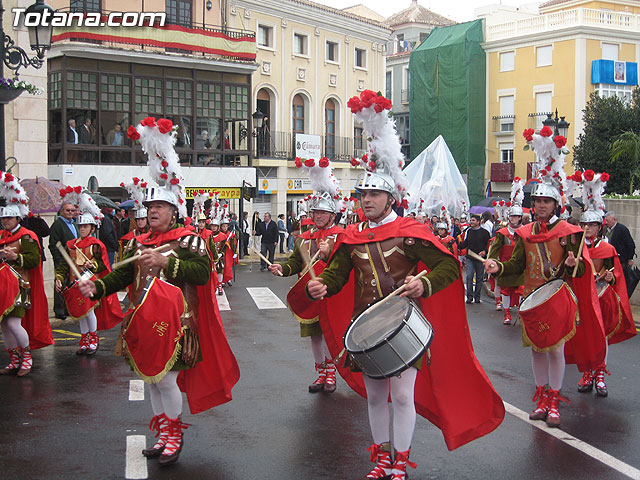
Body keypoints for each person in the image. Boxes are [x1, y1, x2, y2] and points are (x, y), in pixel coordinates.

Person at [307, 90, 504, 479]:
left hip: (404, 326)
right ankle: (379, 458)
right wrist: (323, 287)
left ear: (391, 196)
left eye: (374, 194)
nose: (366, 200)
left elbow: (448, 266)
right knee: (376, 396)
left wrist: (424, 284)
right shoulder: (351, 237)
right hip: (363, 326)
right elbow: (337, 273)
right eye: (363, 194)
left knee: (401, 395)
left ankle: (401, 461)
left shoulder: (410, 233)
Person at [77, 117, 239, 467]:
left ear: (174, 210)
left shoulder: (189, 240)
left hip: (178, 322)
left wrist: (168, 265)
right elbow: (122, 278)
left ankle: (174, 434)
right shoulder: (137, 241)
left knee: (167, 381)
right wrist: (97, 286)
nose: (152, 212)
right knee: (151, 380)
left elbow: (202, 274)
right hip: (142, 320)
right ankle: (162, 431)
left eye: (159, 207)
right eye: (149, 208)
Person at [484, 128, 606, 428]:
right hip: (532, 298)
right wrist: (498, 268)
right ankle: (541, 398)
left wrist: (575, 263)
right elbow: (515, 265)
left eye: (545, 202)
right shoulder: (525, 234)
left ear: (556, 206)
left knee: (555, 349)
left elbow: (580, 273)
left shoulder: (570, 234)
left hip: (559, 298)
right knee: (537, 350)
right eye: (536, 201)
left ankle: (554, 401)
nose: (539, 205)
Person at [269, 159, 345, 394]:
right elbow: (295, 262)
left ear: (333, 215)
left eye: (323, 212)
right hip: (309, 292)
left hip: (332, 295)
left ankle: (332, 374)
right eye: (316, 211)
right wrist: (282, 269)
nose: (319, 215)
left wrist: (329, 252)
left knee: (330, 334)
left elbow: (346, 266)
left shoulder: (342, 236)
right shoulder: (304, 237)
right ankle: (321, 373)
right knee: (314, 337)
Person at [575, 172, 636, 397]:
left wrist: (612, 278)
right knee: (583, 336)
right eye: (584, 225)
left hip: (602, 298)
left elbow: (617, 275)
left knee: (601, 337)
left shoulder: (607, 249)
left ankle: (600, 373)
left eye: (591, 225)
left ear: (599, 227)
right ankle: (587, 372)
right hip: (582, 298)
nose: (587, 229)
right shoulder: (577, 247)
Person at [55, 193, 122, 355]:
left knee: (89, 311)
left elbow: (103, 264)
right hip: (75, 284)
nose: (82, 229)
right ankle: (84, 341)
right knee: (80, 314)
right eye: (81, 227)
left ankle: (93, 340)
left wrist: (93, 265)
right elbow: (64, 265)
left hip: (90, 283)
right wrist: (58, 278)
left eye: (86, 226)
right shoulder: (71, 245)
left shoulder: (96, 245)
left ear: (92, 228)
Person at [0, 172, 53, 376]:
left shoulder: (27, 236)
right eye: (3, 218)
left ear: (17, 218)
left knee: (14, 323)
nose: (5, 221)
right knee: (5, 324)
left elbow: (34, 260)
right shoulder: (1, 236)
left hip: (21, 286)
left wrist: (15, 257)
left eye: (9, 218)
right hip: (3, 286)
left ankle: (26, 356)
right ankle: (14, 358)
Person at [487, 179, 525, 325]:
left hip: (520, 267)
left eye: (516, 217)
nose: (514, 219)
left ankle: (521, 312)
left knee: (521, 290)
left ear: (521, 218)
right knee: (506, 290)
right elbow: (495, 249)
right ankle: (507, 314)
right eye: (512, 216)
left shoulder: (525, 232)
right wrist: (491, 261)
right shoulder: (502, 233)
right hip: (506, 266)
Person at [49, 201, 79, 319]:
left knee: (70, 284)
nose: (70, 212)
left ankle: (68, 308)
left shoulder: (74, 224)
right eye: (67, 210)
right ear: (61, 212)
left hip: (73, 260)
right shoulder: (57, 224)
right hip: (62, 260)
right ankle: (59, 309)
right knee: (60, 284)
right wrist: (58, 260)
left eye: (72, 210)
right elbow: (53, 244)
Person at [459, 214, 490, 304]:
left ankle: (477, 296)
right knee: (469, 276)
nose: (471, 222)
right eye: (471, 220)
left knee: (479, 278)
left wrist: (484, 251)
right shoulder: (469, 231)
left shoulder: (485, 232)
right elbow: (466, 243)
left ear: (478, 222)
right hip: (470, 258)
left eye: (473, 220)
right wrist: (456, 245)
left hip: (480, 259)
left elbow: (488, 245)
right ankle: (469, 297)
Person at [605, 211, 636, 298]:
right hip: (609, 260)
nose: (606, 223)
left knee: (620, 281)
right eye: (605, 220)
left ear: (614, 219)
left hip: (621, 260)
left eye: (608, 220)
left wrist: (630, 258)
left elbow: (630, 244)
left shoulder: (622, 229)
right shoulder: (605, 230)